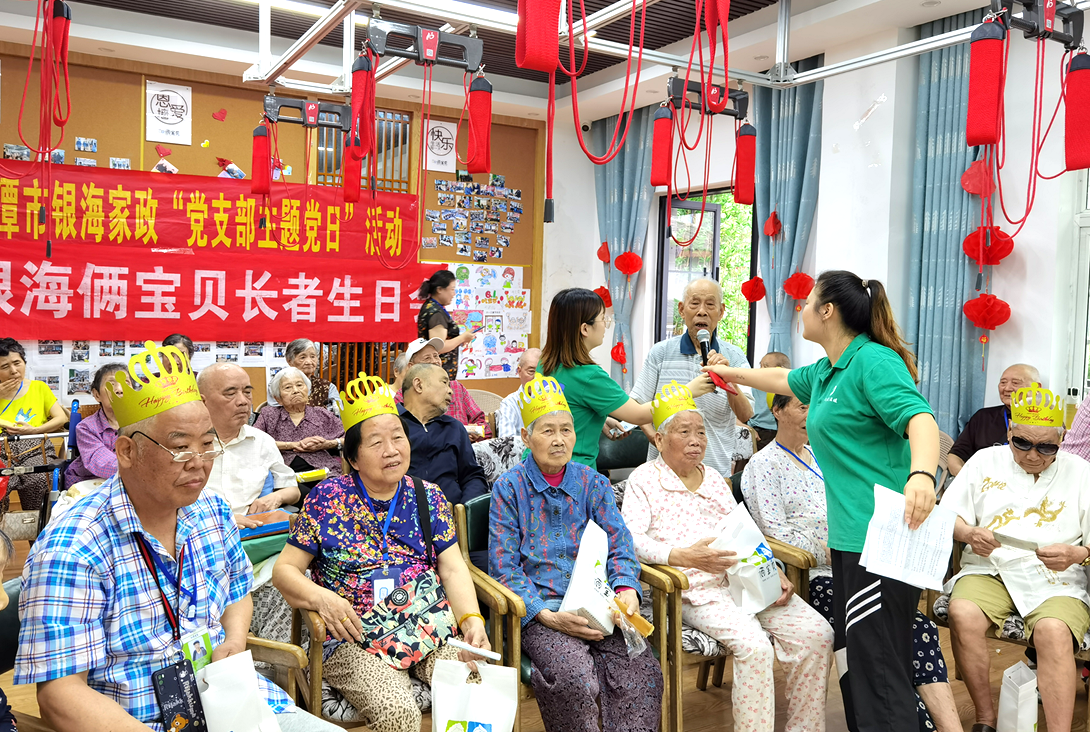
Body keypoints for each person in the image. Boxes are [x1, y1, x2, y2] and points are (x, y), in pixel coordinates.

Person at [17, 341, 338, 732]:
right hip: (140, 720)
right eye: (181, 448)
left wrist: (234, 641)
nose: (199, 464)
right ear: (126, 451)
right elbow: (61, 696)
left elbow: (237, 592)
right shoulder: (73, 546)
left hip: (238, 701)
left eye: (208, 445)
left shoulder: (212, 511)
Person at [704, 270, 940, 732]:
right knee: (862, 664)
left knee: (880, 667)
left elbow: (921, 419)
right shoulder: (829, 370)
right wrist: (729, 373)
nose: (802, 308)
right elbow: (781, 377)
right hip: (850, 541)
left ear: (828, 311)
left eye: (809, 301)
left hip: (880, 539)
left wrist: (921, 475)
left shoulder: (873, 361)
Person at [272, 372, 491, 732]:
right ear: (353, 457)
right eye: (376, 442)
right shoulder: (327, 499)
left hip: (427, 626)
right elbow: (285, 571)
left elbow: (453, 567)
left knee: (474, 687)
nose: (392, 450)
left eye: (398, 437)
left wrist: (471, 620)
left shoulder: (428, 496)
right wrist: (323, 599)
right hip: (355, 637)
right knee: (397, 711)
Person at [743, 392, 960, 732]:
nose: (811, 415)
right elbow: (772, 532)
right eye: (802, 407)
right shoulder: (763, 465)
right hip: (811, 576)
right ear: (777, 411)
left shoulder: (821, 456)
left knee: (918, 627)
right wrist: (827, 548)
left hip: (859, 562)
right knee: (884, 634)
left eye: (815, 406)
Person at [622, 382, 831, 731]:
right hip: (694, 591)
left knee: (817, 634)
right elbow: (631, 541)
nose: (696, 440)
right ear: (659, 439)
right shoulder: (644, 480)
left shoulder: (715, 481)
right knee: (755, 648)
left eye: (701, 432)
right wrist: (682, 556)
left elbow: (742, 530)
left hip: (744, 580)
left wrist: (771, 567)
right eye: (684, 432)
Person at [489, 373, 663, 731]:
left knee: (642, 673)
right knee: (574, 680)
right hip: (544, 612)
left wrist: (626, 589)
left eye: (566, 430)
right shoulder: (509, 489)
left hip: (602, 607)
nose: (559, 439)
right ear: (526, 437)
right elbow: (503, 566)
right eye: (548, 431)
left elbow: (620, 542)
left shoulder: (593, 483)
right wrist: (545, 615)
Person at [942, 384, 1090, 732]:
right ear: (1009, 432)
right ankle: (985, 719)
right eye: (1022, 443)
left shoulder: (1081, 472)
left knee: (1053, 631)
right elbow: (946, 517)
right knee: (963, 612)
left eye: (1046, 447)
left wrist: (1079, 553)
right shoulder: (984, 461)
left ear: (1062, 439)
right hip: (990, 567)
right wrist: (969, 534)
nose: (1033, 456)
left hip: (1056, 576)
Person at [540, 288, 697, 470]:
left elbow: (562, 409)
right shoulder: (589, 376)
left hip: (538, 468)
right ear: (585, 329)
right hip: (572, 474)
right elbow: (639, 414)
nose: (606, 325)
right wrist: (688, 392)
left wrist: (598, 418)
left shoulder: (543, 365)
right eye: (603, 319)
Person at [627, 278, 752, 477]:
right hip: (662, 472)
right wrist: (654, 437)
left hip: (713, 474)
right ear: (681, 310)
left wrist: (729, 381)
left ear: (721, 312)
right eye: (694, 303)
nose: (702, 311)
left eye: (710, 304)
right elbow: (636, 404)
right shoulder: (660, 353)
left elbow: (746, 414)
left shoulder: (734, 356)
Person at [198, 362, 298, 523]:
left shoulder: (262, 441)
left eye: (247, 392)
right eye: (230, 394)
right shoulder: (186, 446)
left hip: (254, 527)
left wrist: (276, 497)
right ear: (203, 401)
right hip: (204, 527)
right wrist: (226, 521)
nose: (243, 401)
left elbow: (292, 489)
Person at [398, 363, 488, 507]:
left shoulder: (454, 427)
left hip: (452, 512)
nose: (451, 391)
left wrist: (465, 509)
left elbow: (472, 476)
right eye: (444, 382)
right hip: (403, 512)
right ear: (419, 385)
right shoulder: (391, 425)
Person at [0, 337, 67, 512]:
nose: (14, 371)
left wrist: (35, 430)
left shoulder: (39, 388)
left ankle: (37, 528)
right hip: (1, 450)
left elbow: (61, 418)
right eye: (5, 366)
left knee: (40, 481)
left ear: (24, 362)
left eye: (17, 363)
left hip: (35, 447)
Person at [947, 363, 1039, 477]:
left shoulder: (1047, 422)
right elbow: (956, 455)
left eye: (1015, 383)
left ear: (1037, 388)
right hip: (983, 482)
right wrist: (967, 479)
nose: (1007, 388)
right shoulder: (983, 417)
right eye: (1003, 382)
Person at [254, 367, 344, 477]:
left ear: (308, 390)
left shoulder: (322, 414)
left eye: (300, 385)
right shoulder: (269, 414)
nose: (296, 390)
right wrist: (292, 445)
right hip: (282, 473)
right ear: (278, 399)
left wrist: (327, 444)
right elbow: (254, 440)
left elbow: (349, 438)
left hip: (323, 471)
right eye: (288, 387)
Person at [396, 338, 488, 436]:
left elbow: (483, 425)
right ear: (411, 366)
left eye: (436, 356)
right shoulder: (404, 395)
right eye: (427, 358)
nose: (434, 361)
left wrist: (475, 432)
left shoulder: (456, 388)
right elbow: (396, 430)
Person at [64, 362, 126, 489]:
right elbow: (99, 460)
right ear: (97, 395)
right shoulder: (86, 427)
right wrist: (136, 469)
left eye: (126, 383)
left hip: (126, 481)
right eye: (111, 384)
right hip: (88, 482)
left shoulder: (141, 424)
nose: (119, 389)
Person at [417, 269, 475, 382]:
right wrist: (462, 338)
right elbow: (439, 346)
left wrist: (459, 339)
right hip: (437, 375)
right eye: (452, 289)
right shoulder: (435, 312)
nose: (454, 293)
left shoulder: (433, 307)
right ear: (439, 289)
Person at [267, 339, 340, 413]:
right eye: (303, 357)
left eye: (312, 356)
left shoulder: (328, 387)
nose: (309, 362)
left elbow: (337, 415)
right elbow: (274, 415)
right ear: (289, 361)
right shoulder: (277, 385)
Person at [494, 348, 541, 438]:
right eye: (531, 372)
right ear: (519, 371)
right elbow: (507, 440)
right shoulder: (510, 403)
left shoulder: (553, 398)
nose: (536, 378)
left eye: (541, 373)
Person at [748, 352, 790, 452]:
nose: (761, 370)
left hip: (780, 432)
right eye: (760, 365)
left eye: (765, 366)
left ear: (780, 369)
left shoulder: (791, 389)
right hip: (757, 431)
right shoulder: (753, 386)